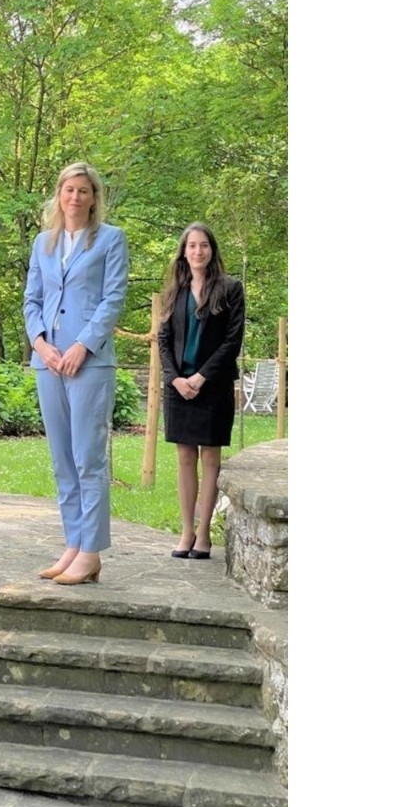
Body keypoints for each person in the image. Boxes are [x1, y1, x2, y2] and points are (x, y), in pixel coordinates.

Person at [23, 162, 129, 585]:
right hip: (48, 363)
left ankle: (91, 550)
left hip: (90, 363)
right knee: (62, 460)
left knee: (89, 459)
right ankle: (73, 543)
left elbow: (113, 298)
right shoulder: (42, 244)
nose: (75, 197)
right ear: (59, 194)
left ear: (94, 198)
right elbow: (31, 300)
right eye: (69, 189)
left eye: (84, 191)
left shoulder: (110, 240)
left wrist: (83, 345)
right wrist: (42, 345)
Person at [156, 222, 245, 560]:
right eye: (191, 246)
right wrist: (175, 378)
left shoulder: (230, 288)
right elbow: (163, 340)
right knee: (183, 458)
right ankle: (186, 531)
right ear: (184, 251)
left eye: (203, 245)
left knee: (210, 458)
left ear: (212, 250)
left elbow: (231, 341)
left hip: (214, 385)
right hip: (179, 386)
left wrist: (202, 377)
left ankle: (204, 533)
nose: (197, 251)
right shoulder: (174, 291)